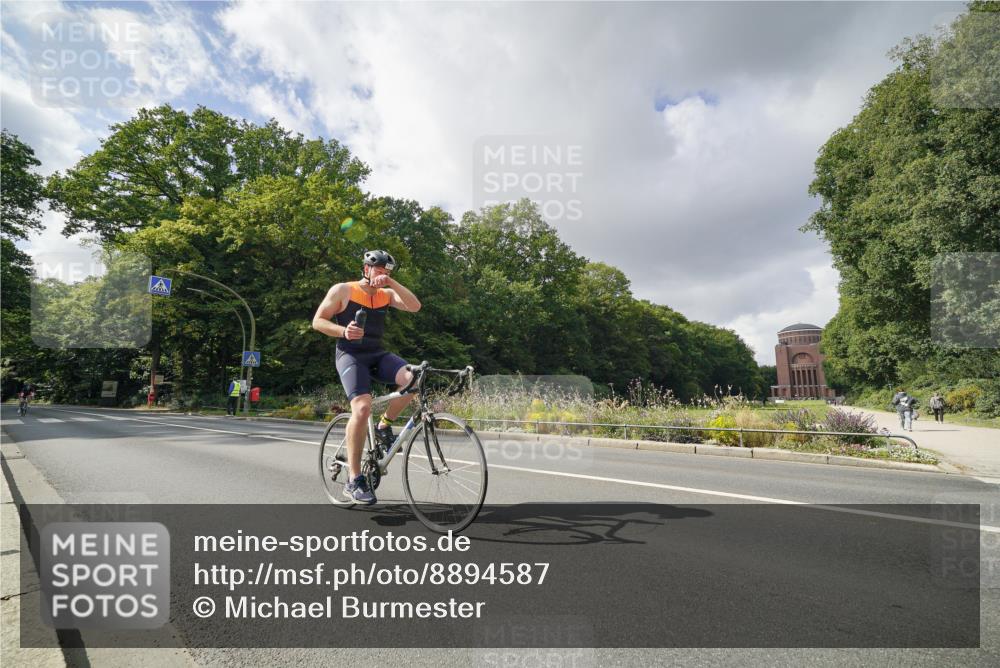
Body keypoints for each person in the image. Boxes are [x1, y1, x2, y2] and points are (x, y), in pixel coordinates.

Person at [311, 250, 421, 504]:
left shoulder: (386, 294)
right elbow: (318, 321)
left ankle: (383, 426)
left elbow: (415, 306)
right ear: (366, 269)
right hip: (350, 355)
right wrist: (343, 331)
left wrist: (391, 283)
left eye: (387, 271)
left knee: (412, 378)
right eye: (378, 270)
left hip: (376, 353)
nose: (382, 275)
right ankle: (354, 479)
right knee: (361, 408)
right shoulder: (343, 290)